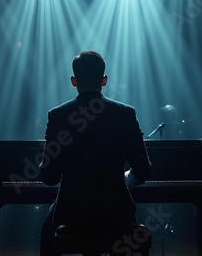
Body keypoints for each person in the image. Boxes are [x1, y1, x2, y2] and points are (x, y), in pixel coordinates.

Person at [39, 50, 152, 255]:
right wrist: (125, 179)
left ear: (74, 81)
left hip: (71, 213)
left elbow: (48, 176)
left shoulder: (57, 116)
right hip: (117, 213)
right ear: (104, 80)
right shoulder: (126, 114)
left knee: (47, 231)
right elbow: (143, 170)